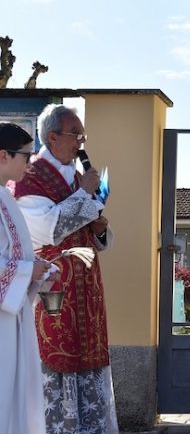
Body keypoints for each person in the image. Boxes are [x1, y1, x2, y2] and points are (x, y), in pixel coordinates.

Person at [13, 104, 118, 434]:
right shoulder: (30, 178)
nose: (81, 143)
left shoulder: (75, 175)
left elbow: (91, 232)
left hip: (87, 286)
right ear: (53, 137)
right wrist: (85, 195)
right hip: (54, 287)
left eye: (82, 135)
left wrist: (100, 228)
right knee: (57, 359)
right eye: (76, 135)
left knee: (88, 361)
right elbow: (47, 230)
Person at [0, 123, 50, 434]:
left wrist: (36, 269)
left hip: (12, 314)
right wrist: (24, 271)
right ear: (3, 155)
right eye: (25, 157)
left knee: (15, 391)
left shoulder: (7, 198)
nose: (29, 164)